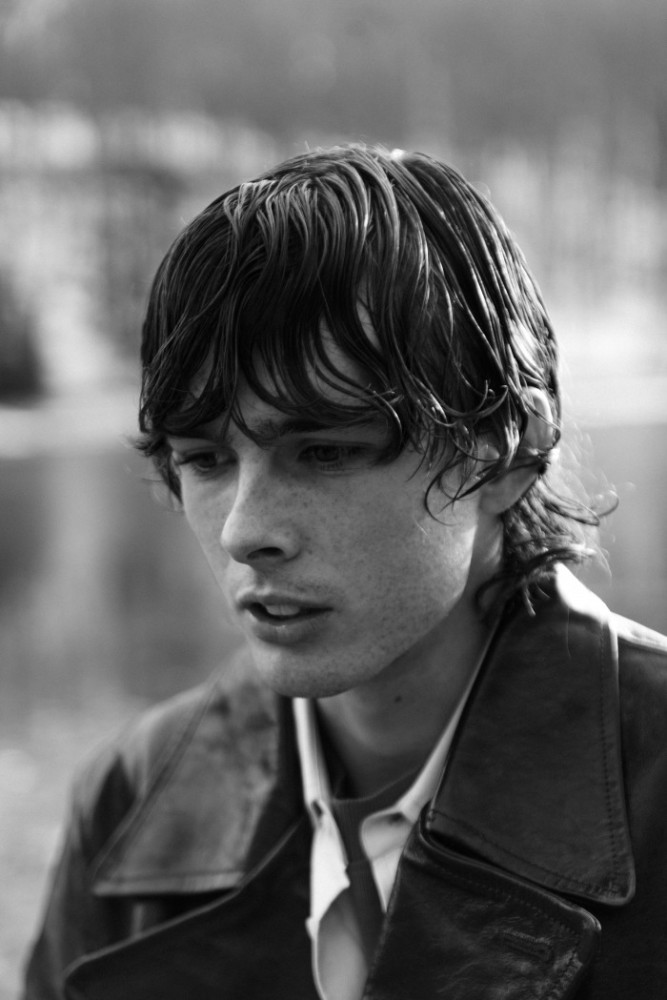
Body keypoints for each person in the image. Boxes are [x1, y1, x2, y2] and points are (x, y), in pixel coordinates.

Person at [23, 144, 667, 1000]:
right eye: (206, 459)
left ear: (510, 449)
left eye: (323, 451)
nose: (245, 531)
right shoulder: (132, 802)